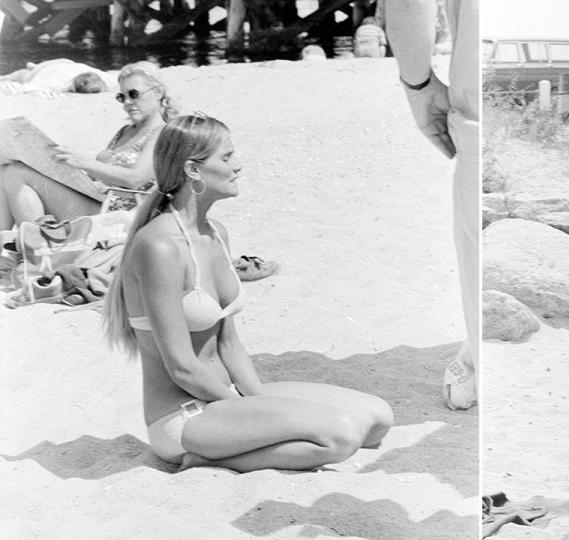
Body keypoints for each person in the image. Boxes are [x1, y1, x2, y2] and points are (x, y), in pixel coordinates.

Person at [102, 114, 393, 471]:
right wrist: (244, 407)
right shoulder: (159, 246)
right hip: (185, 416)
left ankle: (236, 443)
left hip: (228, 398)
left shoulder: (216, 234)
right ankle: (198, 459)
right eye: (226, 158)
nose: (238, 166)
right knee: (342, 436)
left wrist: (256, 401)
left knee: (378, 420)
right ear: (193, 171)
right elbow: (182, 367)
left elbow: (228, 345)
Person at [383, 0, 478, 410]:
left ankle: (478, 356)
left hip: (479, 109)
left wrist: (418, 86)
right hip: (529, 108)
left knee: (476, 252)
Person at [0, 61, 173, 231]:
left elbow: (136, 179)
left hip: (118, 213)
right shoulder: (125, 131)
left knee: (17, 173)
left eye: (134, 94)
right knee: (6, 169)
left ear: (157, 92)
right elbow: (102, 173)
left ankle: (35, 246)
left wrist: (83, 162)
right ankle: (9, 242)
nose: (127, 102)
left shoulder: (162, 132)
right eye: (122, 97)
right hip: (98, 199)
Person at [0, 58, 113, 96]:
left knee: (21, 75)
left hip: (60, 63)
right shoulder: (59, 84)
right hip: (45, 69)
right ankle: (31, 67)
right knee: (22, 76)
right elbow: (27, 88)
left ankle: (32, 67)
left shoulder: (92, 73)